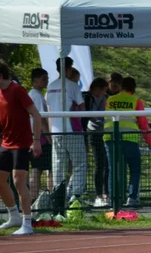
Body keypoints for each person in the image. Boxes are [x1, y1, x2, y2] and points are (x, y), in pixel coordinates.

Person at [0, 61, 44, 236]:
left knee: (18, 181)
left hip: (22, 143)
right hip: (5, 143)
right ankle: (14, 217)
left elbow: (36, 114)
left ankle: (27, 223)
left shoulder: (17, 90)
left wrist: (37, 140)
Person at [103, 76, 151, 208]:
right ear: (134, 88)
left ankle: (113, 200)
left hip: (110, 138)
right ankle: (131, 198)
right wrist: (150, 143)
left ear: (120, 86)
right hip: (129, 139)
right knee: (135, 169)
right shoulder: (135, 100)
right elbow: (143, 124)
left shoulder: (110, 99)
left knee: (113, 169)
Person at [46, 57, 85, 207]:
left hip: (55, 132)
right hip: (72, 131)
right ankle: (76, 196)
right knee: (79, 164)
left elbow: (48, 108)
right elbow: (82, 108)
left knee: (58, 165)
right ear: (69, 69)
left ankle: (58, 195)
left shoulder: (50, 86)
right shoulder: (73, 86)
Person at [83, 77, 108, 208]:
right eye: (103, 90)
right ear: (96, 89)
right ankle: (98, 195)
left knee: (107, 163)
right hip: (93, 133)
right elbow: (86, 114)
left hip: (106, 132)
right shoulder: (86, 97)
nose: (104, 93)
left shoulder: (107, 98)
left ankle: (106, 194)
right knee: (99, 163)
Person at [26, 67, 50, 201]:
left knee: (37, 168)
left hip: (34, 137)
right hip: (39, 139)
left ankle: (33, 197)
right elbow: (41, 119)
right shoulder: (37, 96)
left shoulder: (32, 94)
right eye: (43, 79)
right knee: (40, 169)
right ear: (35, 80)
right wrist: (49, 137)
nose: (46, 81)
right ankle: (34, 197)